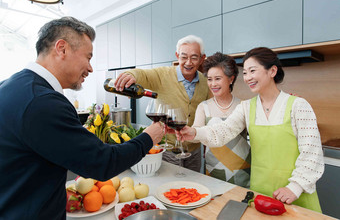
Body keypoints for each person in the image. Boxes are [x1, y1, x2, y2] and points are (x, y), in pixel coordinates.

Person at [0, 17, 164, 219]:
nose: (91, 68)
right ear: (62, 49)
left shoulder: (9, 86)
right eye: (88, 57)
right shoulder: (43, 102)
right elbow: (103, 163)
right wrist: (149, 137)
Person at [178, 47, 324, 212]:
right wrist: (194, 132)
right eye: (245, 73)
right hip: (259, 191)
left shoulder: (298, 105)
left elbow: (312, 153)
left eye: (252, 71)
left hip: (295, 194)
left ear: (272, 71)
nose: (247, 78)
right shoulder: (246, 107)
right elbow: (223, 131)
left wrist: (295, 187)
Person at [114, 35, 210, 172]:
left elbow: (207, 116)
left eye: (194, 57)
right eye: (183, 57)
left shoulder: (206, 81)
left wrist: (206, 148)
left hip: (193, 150)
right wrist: (131, 75)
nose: (188, 62)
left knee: (192, 187)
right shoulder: (162, 75)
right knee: (169, 187)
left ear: (202, 58)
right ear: (177, 56)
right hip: (168, 149)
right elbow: (143, 75)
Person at [192, 52, 250, 187]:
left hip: (243, 170)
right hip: (214, 170)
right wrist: (183, 131)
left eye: (217, 78)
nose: (213, 84)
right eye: (209, 79)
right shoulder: (203, 107)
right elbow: (196, 135)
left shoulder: (244, 106)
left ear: (231, 79)